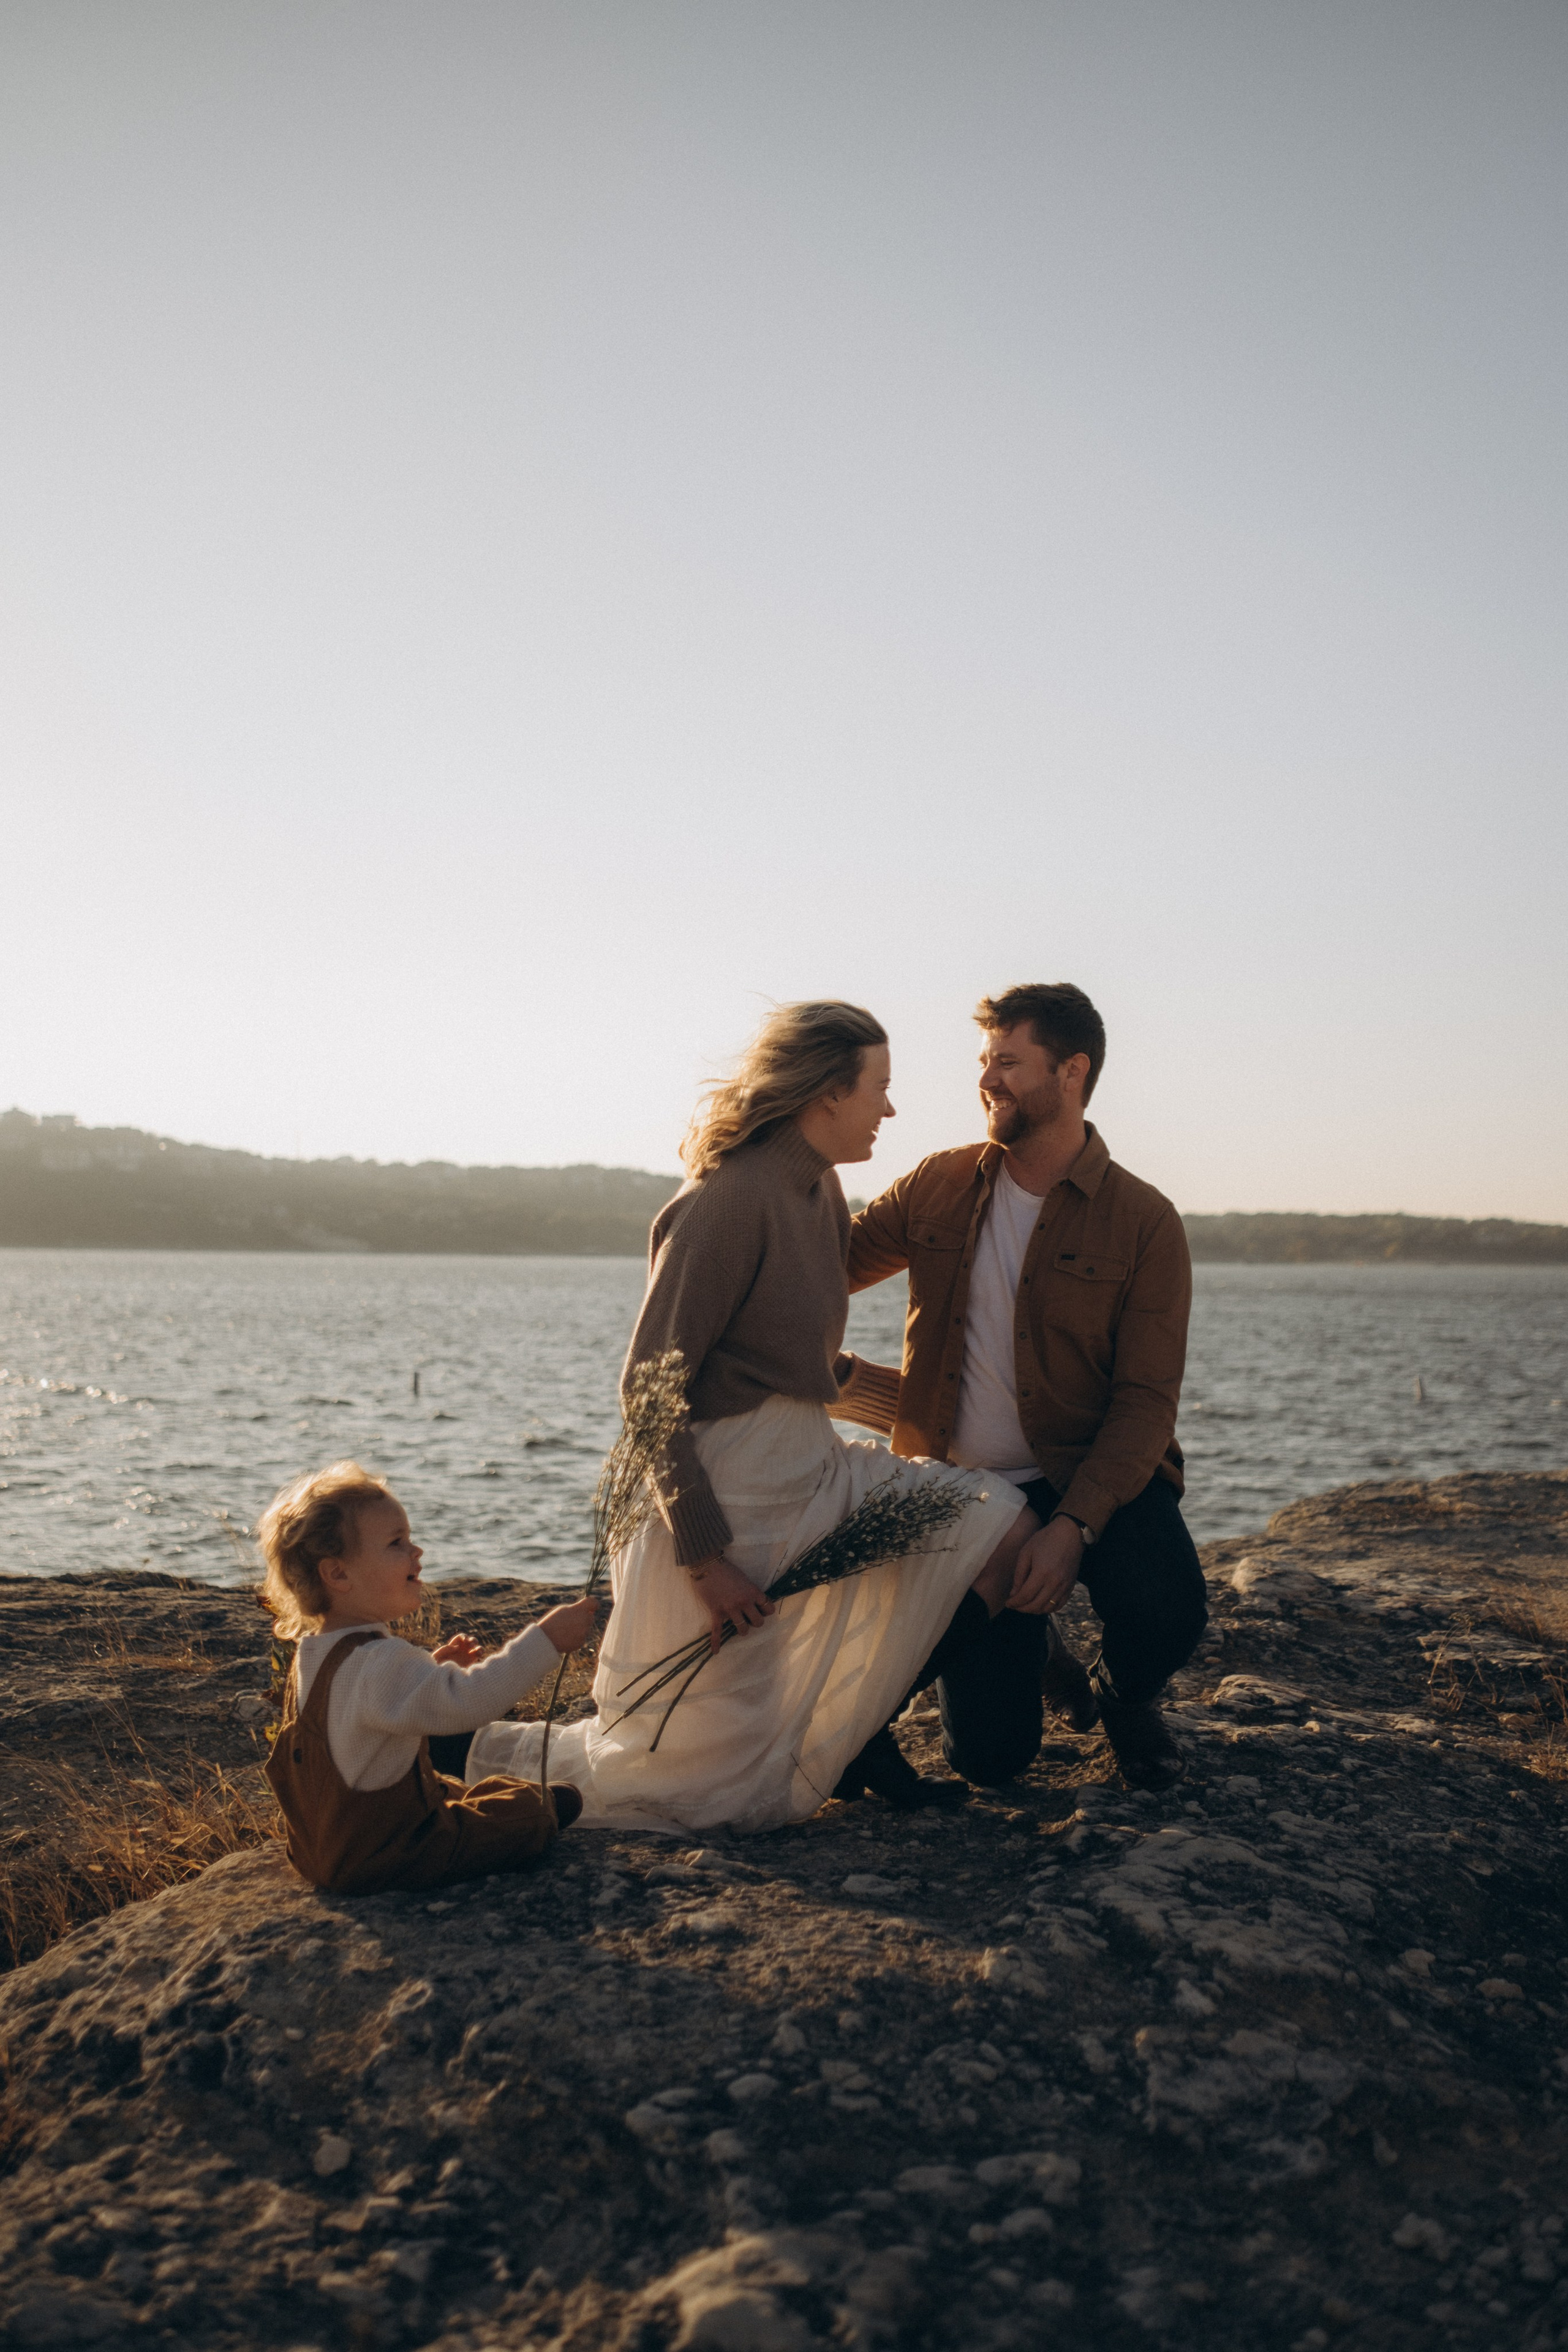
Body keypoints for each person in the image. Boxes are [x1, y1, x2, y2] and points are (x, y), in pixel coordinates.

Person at [466, 1001, 1046, 1833]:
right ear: (826, 1096)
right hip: (730, 1503)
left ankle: (861, 1741)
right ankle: (459, 1747)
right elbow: (648, 1387)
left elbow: (787, 1356)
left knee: (1001, 1532)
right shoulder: (727, 1201)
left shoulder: (815, 1187)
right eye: (879, 1088)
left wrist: (932, 1416)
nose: (891, 1109)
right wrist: (706, 1560)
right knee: (704, 1787)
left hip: (808, 1468)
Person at [842, 982, 1206, 1791]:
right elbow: (820, 1270)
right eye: (984, 1062)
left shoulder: (1143, 1221)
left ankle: (1124, 1697)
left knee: (1166, 1609)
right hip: (970, 1492)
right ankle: (1035, 1649)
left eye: (1008, 1062)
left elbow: (1147, 1399)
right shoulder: (935, 1185)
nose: (988, 1079)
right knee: (991, 1762)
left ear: (1071, 1071)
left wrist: (1074, 1524)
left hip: (1090, 1475)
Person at [259, 1460, 598, 1893]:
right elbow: (469, 1703)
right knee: (529, 1807)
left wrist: (432, 1667)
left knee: (451, 1789)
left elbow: (357, 1715)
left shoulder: (316, 1654)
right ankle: (544, 1810)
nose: (416, 1552)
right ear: (338, 1573)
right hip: (394, 1852)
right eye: (397, 1542)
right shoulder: (382, 1662)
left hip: (321, 1849)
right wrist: (545, 1641)